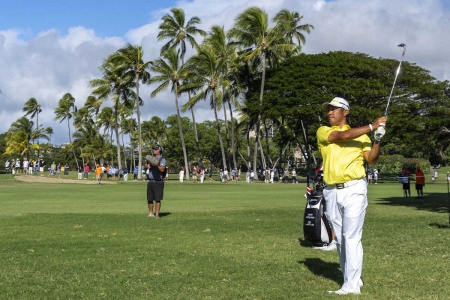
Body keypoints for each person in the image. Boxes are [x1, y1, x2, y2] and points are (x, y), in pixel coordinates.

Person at [317, 97, 386, 295]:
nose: (330, 112)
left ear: (345, 112)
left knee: (352, 237)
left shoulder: (363, 136)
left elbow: (371, 159)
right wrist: (372, 126)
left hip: (355, 188)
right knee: (340, 239)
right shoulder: (324, 131)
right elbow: (340, 136)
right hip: (331, 191)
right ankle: (351, 279)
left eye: (334, 109)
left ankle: (352, 286)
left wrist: (378, 140)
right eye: (328, 109)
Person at [145, 145, 166, 218]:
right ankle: (151, 213)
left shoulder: (162, 159)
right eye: (154, 149)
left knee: (157, 199)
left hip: (158, 181)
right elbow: (145, 167)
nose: (154, 150)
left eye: (156, 149)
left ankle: (157, 214)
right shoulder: (151, 158)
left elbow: (162, 169)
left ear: (159, 150)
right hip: (150, 181)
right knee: (149, 198)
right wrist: (147, 166)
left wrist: (155, 165)